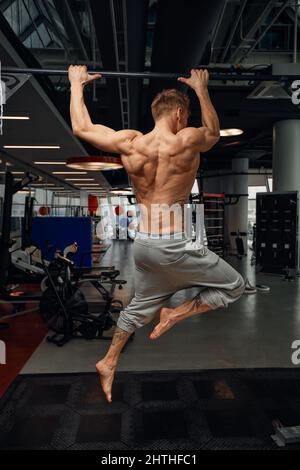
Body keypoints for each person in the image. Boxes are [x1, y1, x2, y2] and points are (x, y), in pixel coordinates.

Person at [68, 66, 245, 403]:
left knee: (136, 310)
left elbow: (81, 126)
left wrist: (76, 85)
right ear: (180, 114)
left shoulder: (130, 142)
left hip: (144, 246)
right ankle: (175, 314)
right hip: (176, 245)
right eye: (186, 114)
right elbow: (213, 132)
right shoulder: (186, 139)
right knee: (235, 285)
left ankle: (109, 361)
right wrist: (202, 89)